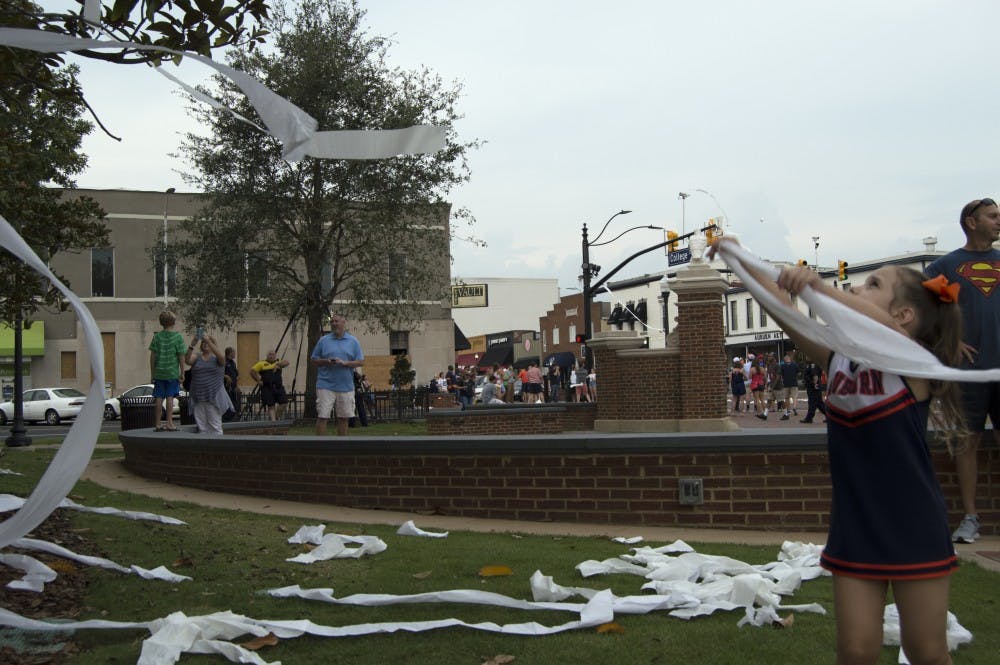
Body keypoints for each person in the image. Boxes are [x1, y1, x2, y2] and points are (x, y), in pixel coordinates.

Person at [710, 237, 964, 665]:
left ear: (903, 316)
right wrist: (743, 260)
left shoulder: (913, 365)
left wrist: (820, 289)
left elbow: (876, 328)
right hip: (855, 522)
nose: (856, 291)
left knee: (926, 651)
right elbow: (789, 316)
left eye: (872, 285)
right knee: (855, 651)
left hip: (914, 523)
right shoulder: (838, 359)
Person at [925, 197, 1000, 543]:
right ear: (972, 222)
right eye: (993, 216)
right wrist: (949, 344)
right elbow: (926, 313)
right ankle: (970, 517)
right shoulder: (945, 268)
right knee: (966, 442)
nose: (999, 221)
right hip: (968, 373)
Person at [311, 313, 364, 436]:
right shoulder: (323, 340)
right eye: (332, 322)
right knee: (323, 417)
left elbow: (361, 361)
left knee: (343, 418)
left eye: (336, 321)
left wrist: (344, 363)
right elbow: (313, 359)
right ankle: (320, 450)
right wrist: (326, 361)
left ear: (343, 322)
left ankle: (341, 449)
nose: (334, 324)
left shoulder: (353, 341)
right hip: (325, 385)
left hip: (345, 386)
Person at [185, 334, 233, 435]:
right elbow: (187, 360)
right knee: (202, 427)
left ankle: (217, 448)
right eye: (203, 342)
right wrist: (192, 344)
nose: (205, 344)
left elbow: (222, 359)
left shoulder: (217, 358)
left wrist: (209, 341)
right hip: (198, 396)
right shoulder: (197, 357)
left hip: (213, 396)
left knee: (215, 426)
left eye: (208, 342)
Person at [148, 310, 187, 432]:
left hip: (159, 372)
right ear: (173, 322)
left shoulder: (157, 337)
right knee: (170, 397)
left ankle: (158, 423)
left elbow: (152, 356)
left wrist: (152, 373)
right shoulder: (177, 337)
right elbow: (181, 356)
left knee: (159, 397)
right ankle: (170, 422)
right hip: (172, 373)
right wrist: (182, 372)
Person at [250, 350, 290, 421]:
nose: (271, 356)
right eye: (270, 354)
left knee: (284, 403)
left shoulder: (278, 361)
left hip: (278, 387)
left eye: (273, 354)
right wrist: (258, 381)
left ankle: (276, 417)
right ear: (267, 356)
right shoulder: (262, 363)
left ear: (275, 355)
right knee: (271, 406)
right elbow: (252, 371)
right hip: (267, 387)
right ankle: (273, 422)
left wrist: (278, 365)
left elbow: (287, 362)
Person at [778, 353, 800, 420]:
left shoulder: (782, 366)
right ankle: (794, 407)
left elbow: (781, 375)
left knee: (786, 398)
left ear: (785, 360)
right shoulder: (795, 365)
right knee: (794, 397)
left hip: (786, 384)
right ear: (790, 359)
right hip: (794, 383)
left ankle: (788, 409)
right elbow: (799, 373)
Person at [223, 346, 240, 421]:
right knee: (227, 406)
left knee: (235, 405)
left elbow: (236, 375)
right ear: (230, 353)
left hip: (233, 388)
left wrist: (236, 385)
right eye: (234, 352)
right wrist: (226, 376)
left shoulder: (233, 363)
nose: (235, 354)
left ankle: (234, 421)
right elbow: (218, 372)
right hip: (225, 388)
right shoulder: (223, 362)